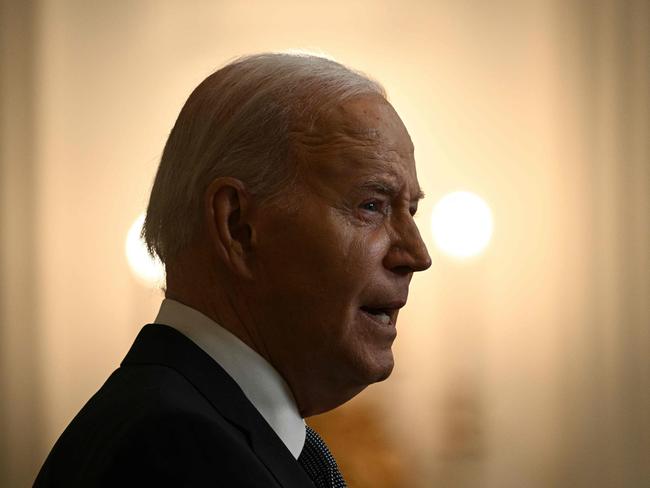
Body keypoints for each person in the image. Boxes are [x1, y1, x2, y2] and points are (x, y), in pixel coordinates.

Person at [34, 53, 431, 487]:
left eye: (410, 210)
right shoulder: (177, 454)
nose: (416, 254)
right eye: (371, 205)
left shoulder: (201, 424)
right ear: (238, 226)